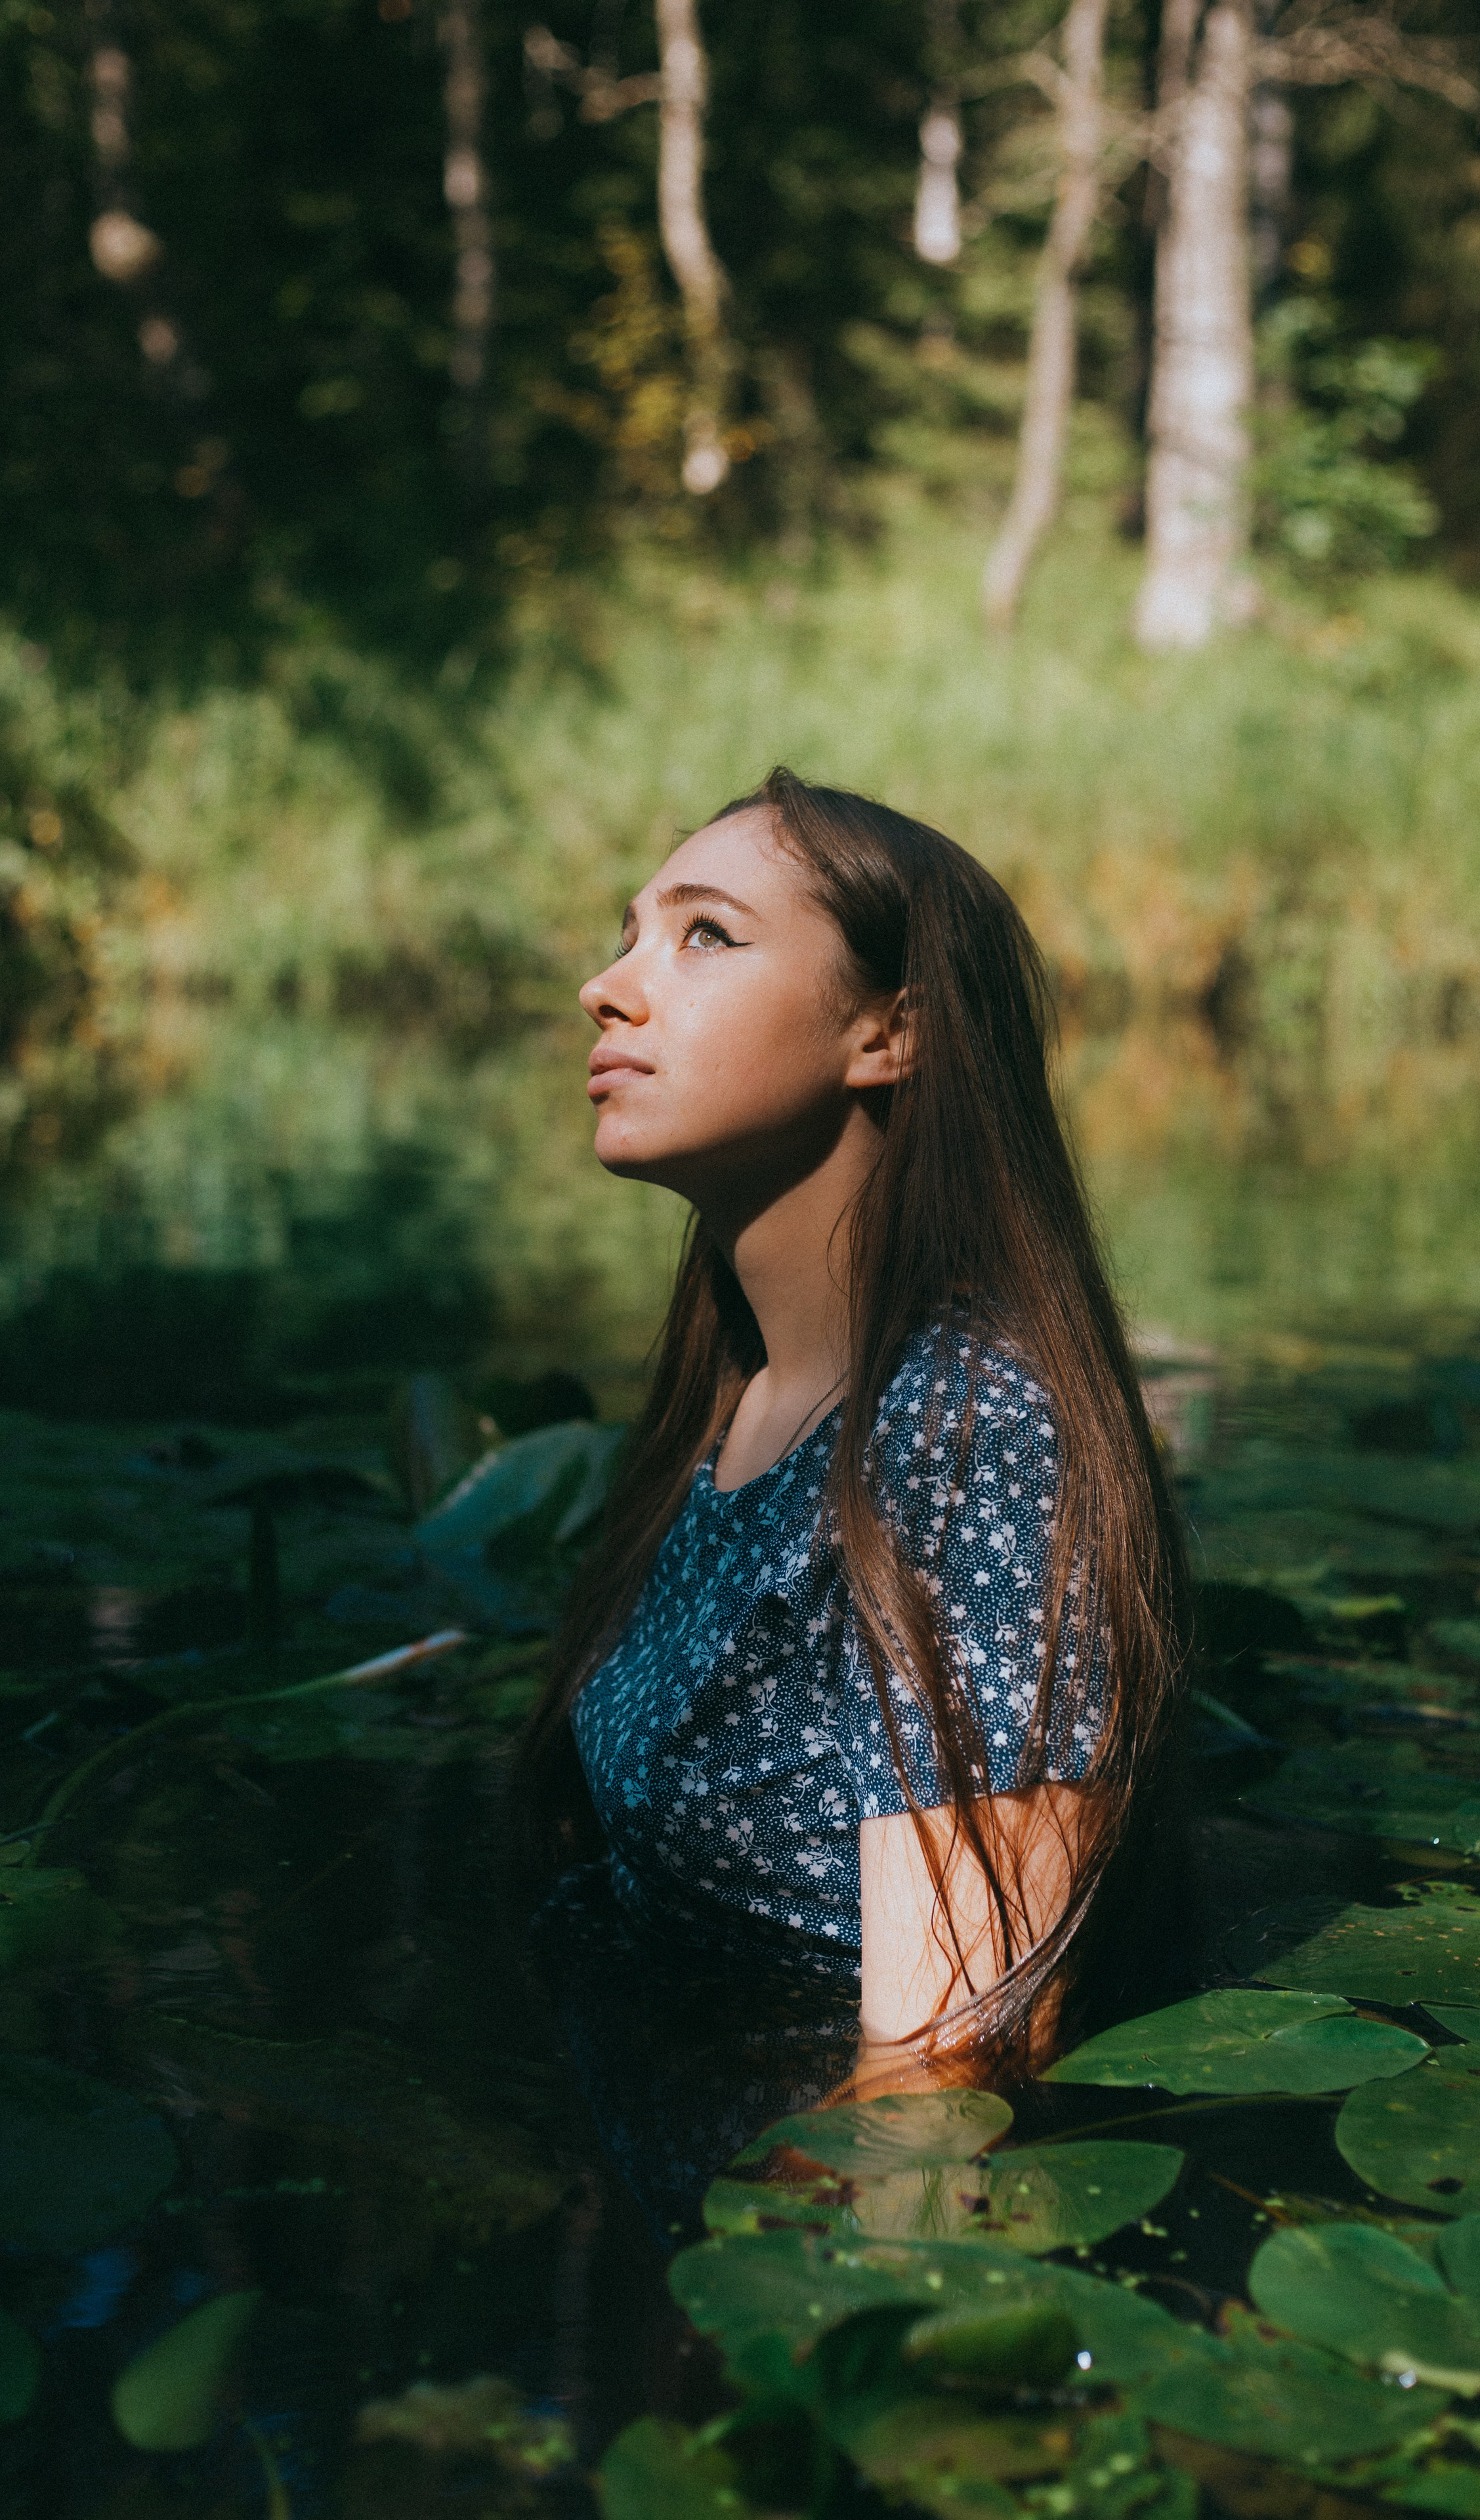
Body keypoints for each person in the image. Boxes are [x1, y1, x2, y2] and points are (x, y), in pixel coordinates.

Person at [517, 768, 1189, 2102]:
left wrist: (769, 2302)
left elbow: (944, 2082)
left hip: (820, 2254)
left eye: (703, 935)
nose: (608, 983)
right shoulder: (741, 1394)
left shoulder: (971, 1437)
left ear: (891, 1031)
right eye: (631, 929)